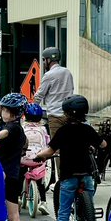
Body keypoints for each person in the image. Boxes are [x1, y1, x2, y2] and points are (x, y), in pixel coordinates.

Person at [33, 94, 107, 221]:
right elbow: (102, 144)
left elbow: (50, 151)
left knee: (64, 213)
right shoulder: (88, 129)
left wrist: (39, 156)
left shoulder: (63, 131)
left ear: (67, 114)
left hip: (69, 178)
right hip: (87, 177)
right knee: (89, 212)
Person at [0, 92, 30, 221]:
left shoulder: (12, 128)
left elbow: (2, 134)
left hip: (1, 176)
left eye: (5, 109)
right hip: (13, 177)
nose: (2, 111)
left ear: (14, 112)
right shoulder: (19, 130)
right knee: (14, 216)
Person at [33, 46, 75, 177]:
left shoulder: (49, 75)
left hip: (55, 116)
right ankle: (73, 172)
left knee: (56, 148)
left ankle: (62, 177)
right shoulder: (67, 72)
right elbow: (71, 90)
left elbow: (39, 95)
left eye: (44, 60)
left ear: (48, 60)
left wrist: (32, 109)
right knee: (69, 146)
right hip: (68, 115)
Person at [22, 102, 51, 215]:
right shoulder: (43, 129)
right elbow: (47, 143)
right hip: (38, 159)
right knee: (40, 181)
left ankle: (19, 198)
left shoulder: (23, 127)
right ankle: (43, 201)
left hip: (25, 158)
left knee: (20, 175)